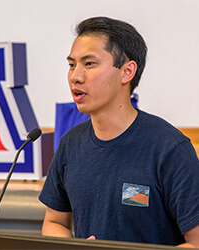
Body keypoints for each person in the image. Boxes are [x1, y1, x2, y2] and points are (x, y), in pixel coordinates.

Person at [39, 16, 199, 247]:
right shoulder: (70, 144)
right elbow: (55, 223)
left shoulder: (170, 148)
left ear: (127, 72)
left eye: (89, 64)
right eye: (72, 65)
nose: (75, 76)